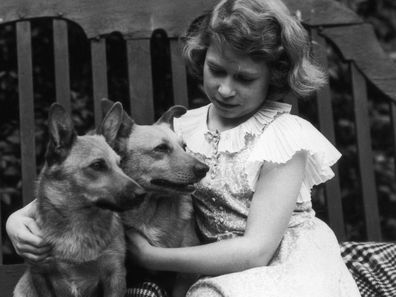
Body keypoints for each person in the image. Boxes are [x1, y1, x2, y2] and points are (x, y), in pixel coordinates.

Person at [6, 0, 361, 296]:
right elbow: (91, 175)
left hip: (281, 261)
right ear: (201, 56)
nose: (224, 89)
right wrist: (16, 220)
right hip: (206, 265)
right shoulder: (182, 130)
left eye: (244, 78)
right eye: (216, 70)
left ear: (276, 76)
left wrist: (152, 258)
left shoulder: (284, 137)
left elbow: (256, 252)